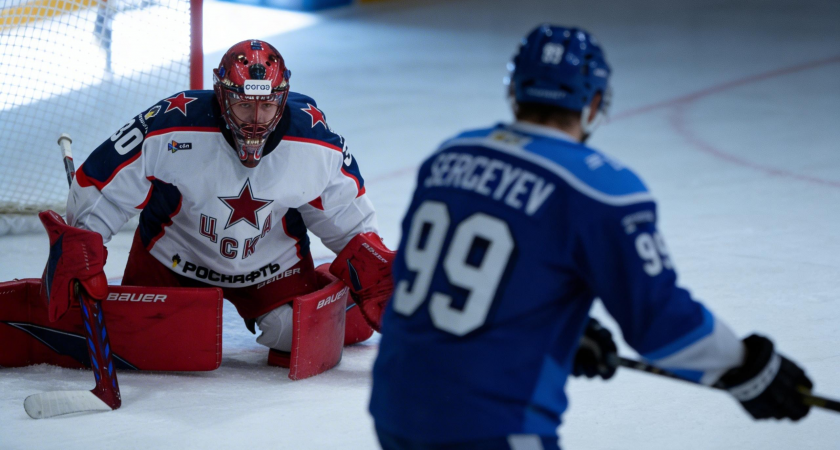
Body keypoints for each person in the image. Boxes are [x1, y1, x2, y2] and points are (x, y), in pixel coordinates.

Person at [369, 25, 813, 449]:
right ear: (595, 101)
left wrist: (565, 327)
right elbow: (659, 323)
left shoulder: (450, 155)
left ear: (514, 90)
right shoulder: (601, 189)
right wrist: (749, 367)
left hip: (394, 407)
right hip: (490, 424)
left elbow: (424, 280)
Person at [52, 39, 393, 356]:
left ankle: (333, 294)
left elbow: (342, 210)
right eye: (244, 106)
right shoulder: (174, 124)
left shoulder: (315, 142)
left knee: (296, 335)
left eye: (268, 106)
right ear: (222, 95)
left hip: (270, 264)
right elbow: (105, 182)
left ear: (283, 98)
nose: (256, 121)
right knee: (152, 340)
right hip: (173, 256)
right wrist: (84, 239)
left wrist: (366, 259)